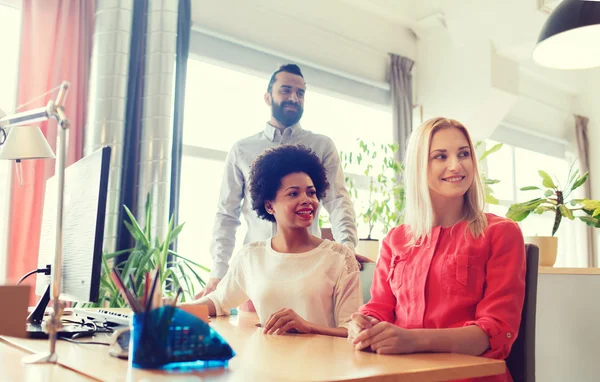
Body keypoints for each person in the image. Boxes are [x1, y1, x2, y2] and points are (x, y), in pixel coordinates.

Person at [348, 117, 525, 382]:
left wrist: (410, 340)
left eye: (463, 154)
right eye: (440, 156)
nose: (456, 165)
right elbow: (379, 306)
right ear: (420, 166)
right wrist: (362, 324)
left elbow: (495, 332)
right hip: (399, 375)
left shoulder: (501, 233)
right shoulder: (395, 240)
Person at [200, 64, 362, 298]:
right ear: (268, 97)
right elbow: (226, 214)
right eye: (285, 90)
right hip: (254, 275)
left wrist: (347, 248)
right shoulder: (242, 150)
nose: (293, 98)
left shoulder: (322, 146)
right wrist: (219, 272)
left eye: (300, 93)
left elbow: (337, 201)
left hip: (308, 272)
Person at [184, 145, 363, 337]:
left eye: (311, 192)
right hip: (267, 361)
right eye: (293, 193)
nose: (306, 200)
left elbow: (352, 329)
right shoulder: (251, 257)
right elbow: (217, 301)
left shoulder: (339, 258)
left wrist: (308, 327)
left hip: (321, 364)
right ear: (269, 205)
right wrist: (169, 310)